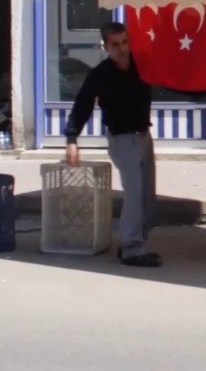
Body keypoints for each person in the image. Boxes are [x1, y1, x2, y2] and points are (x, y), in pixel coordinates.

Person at [64, 22, 161, 267]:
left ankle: (137, 243)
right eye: (115, 45)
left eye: (125, 42)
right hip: (121, 139)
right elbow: (82, 105)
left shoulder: (140, 66)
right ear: (105, 47)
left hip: (143, 136)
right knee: (135, 194)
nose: (121, 49)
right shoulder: (101, 75)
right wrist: (72, 139)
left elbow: (171, 79)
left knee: (147, 196)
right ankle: (131, 249)